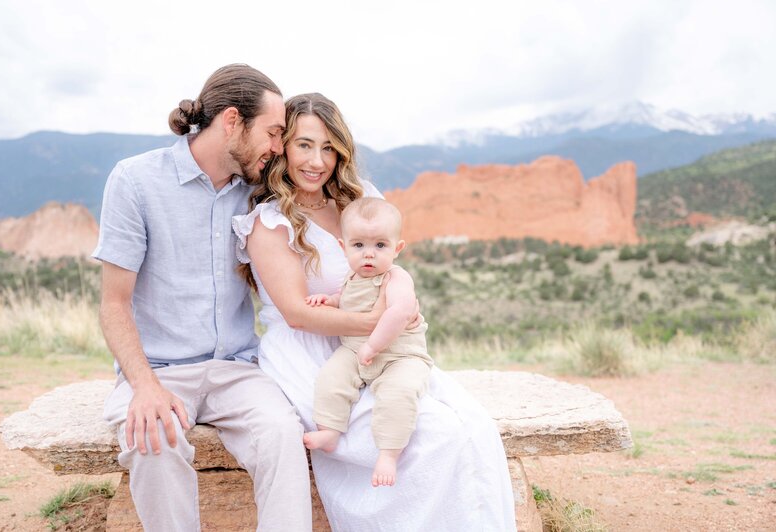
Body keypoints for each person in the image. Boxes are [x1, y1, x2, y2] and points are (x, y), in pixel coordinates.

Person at [233, 92, 516, 531]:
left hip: (382, 346)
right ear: (283, 146)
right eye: (305, 144)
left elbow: (389, 270)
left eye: (328, 147)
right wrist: (386, 322)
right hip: (310, 354)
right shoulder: (270, 222)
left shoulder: (359, 200)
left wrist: (399, 312)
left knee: (470, 427)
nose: (317, 160)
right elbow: (297, 314)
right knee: (429, 437)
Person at [93, 64, 312, 532]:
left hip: (240, 369)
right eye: (273, 133)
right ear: (232, 121)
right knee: (155, 435)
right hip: (161, 370)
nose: (278, 147)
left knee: (281, 432)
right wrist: (145, 387)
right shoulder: (135, 181)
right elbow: (114, 304)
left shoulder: (261, 190)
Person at [303, 197, 433, 488]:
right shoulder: (351, 277)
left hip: (400, 357)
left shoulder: (397, 277)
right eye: (359, 245)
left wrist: (373, 346)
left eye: (380, 246)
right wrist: (330, 301)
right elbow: (348, 300)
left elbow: (399, 312)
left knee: (399, 393)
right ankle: (330, 429)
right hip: (355, 351)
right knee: (331, 377)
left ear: (397, 248)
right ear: (343, 247)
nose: (368, 255)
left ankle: (389, 452)